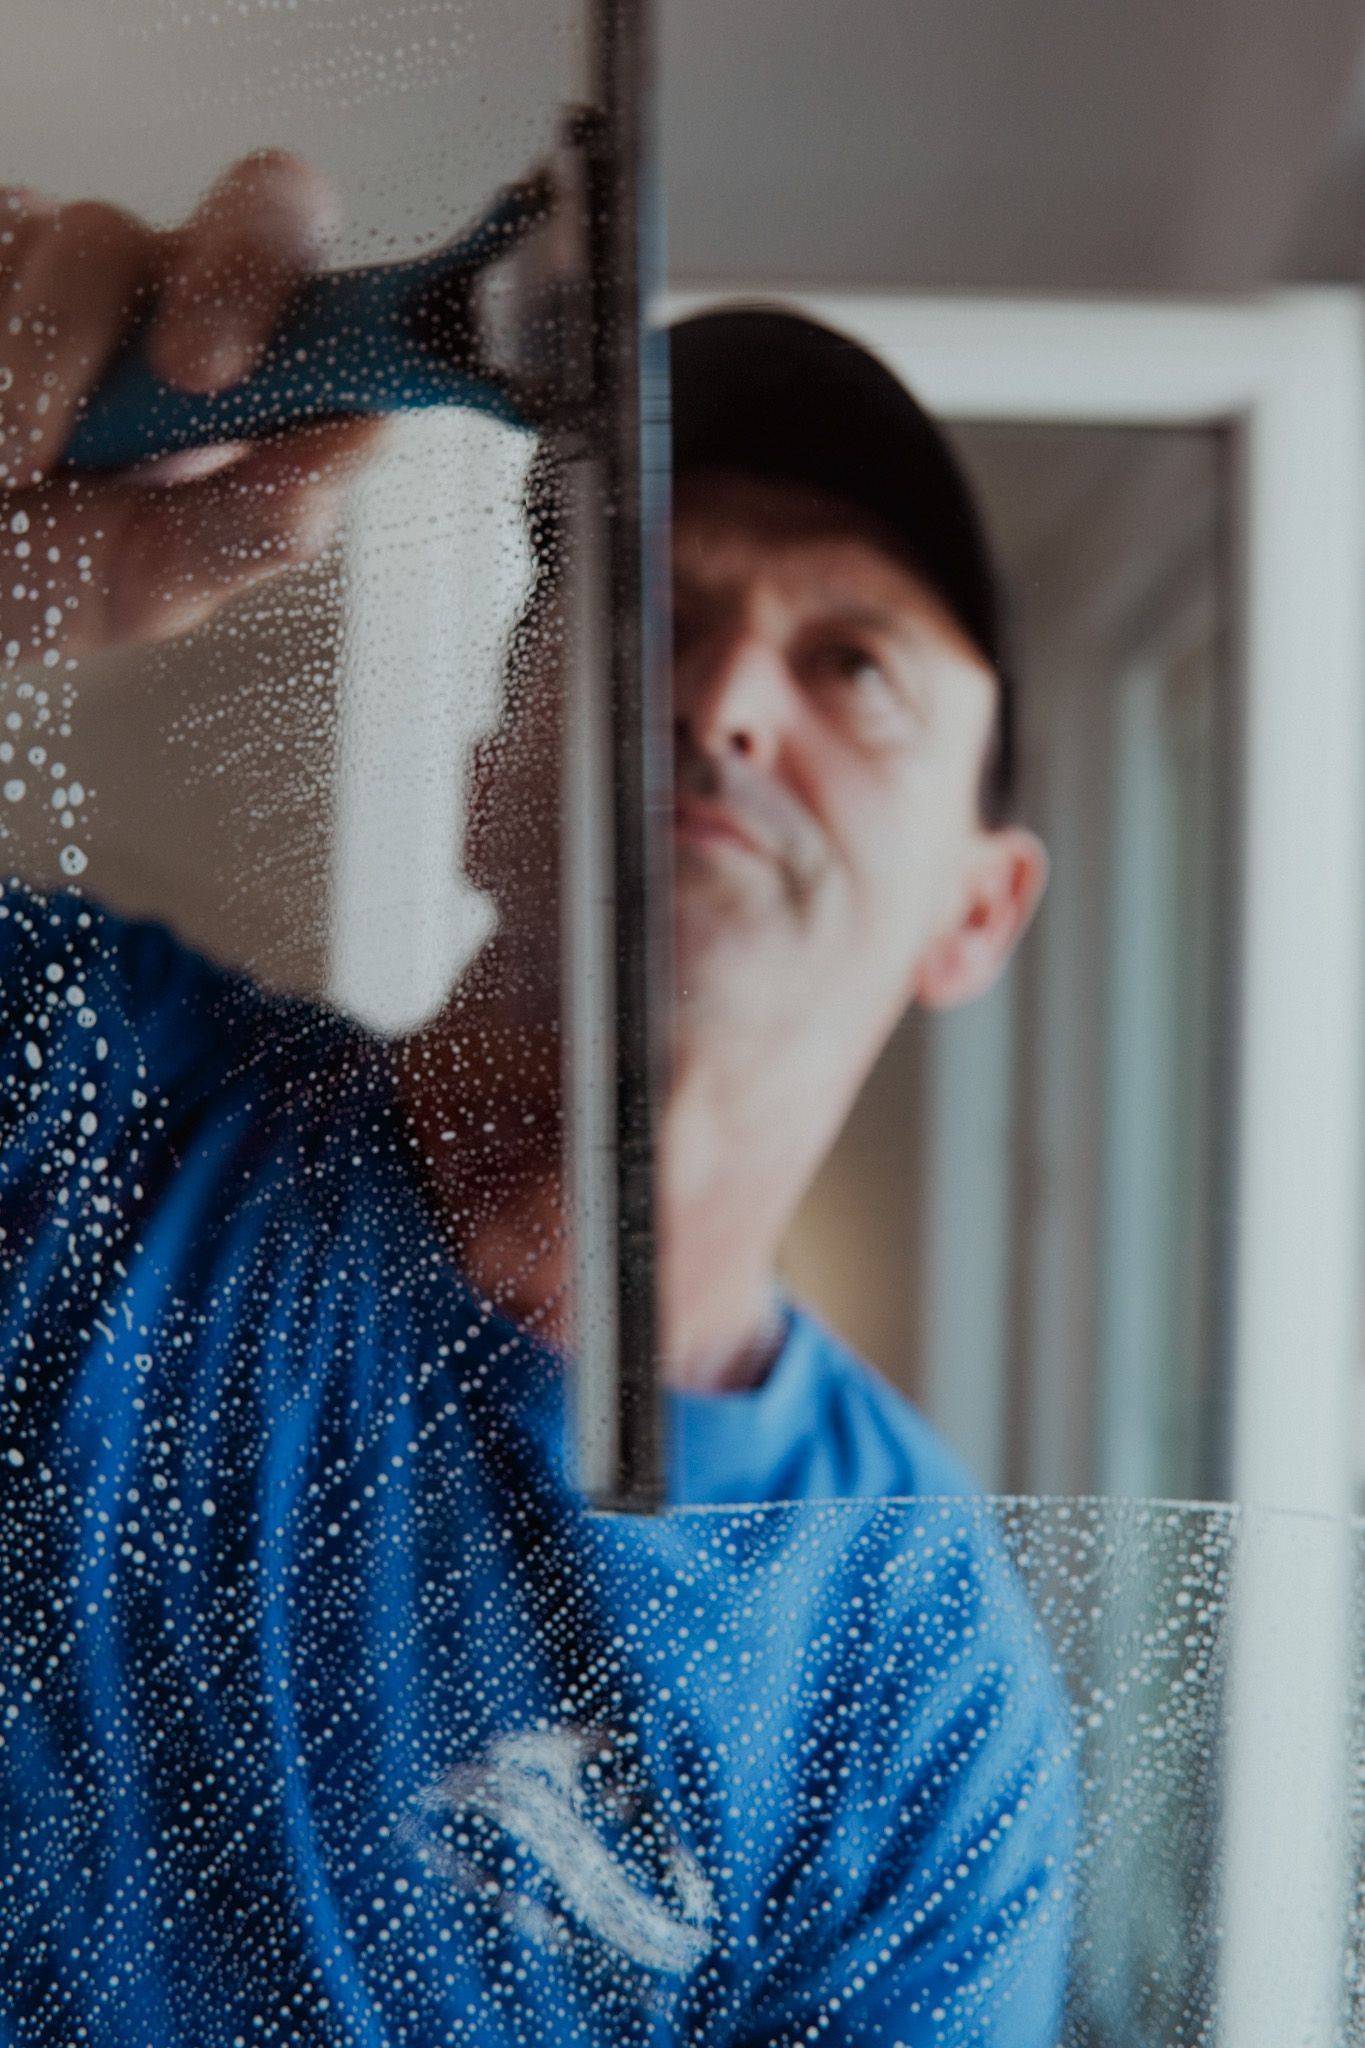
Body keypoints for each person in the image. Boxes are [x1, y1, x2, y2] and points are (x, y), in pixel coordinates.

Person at [0, 156, 1075, 2045]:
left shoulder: (911, 1684)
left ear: (974, 911)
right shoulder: (61, 1088)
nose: (725, 702)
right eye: (648, 617)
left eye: (853, 666)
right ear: (490, 761)